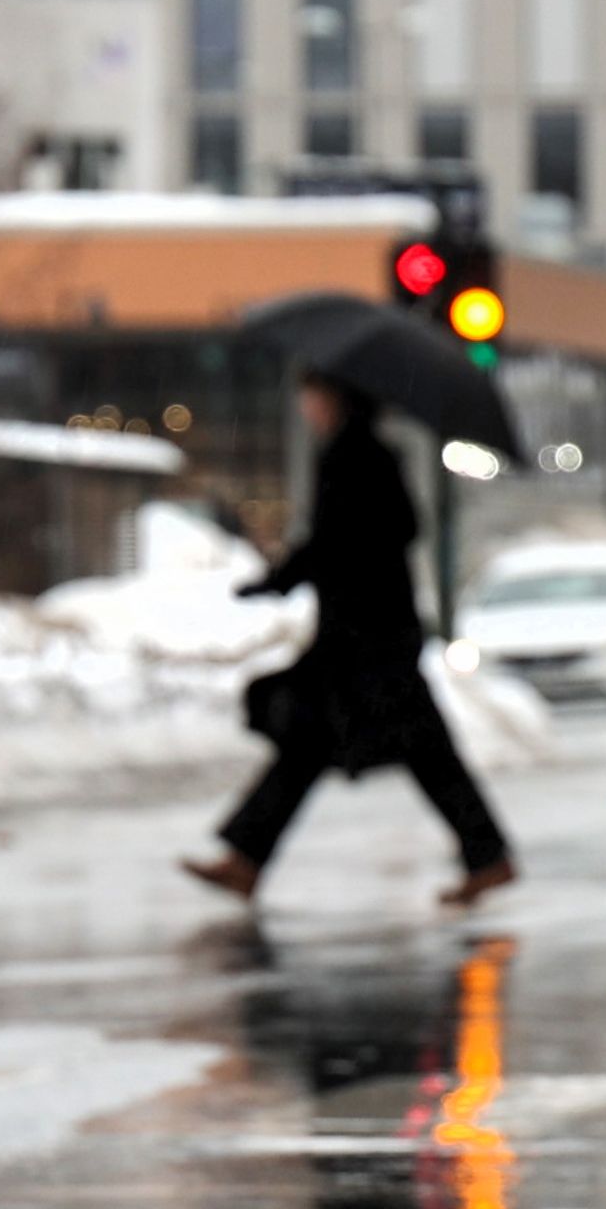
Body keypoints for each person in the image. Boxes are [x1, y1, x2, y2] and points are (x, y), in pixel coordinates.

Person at [182, 374, 520, 911]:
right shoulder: (366, 453)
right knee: (317, 744)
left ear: (335, 397)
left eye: (312, 394)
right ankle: (246, 859)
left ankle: (488, 855)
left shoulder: (352, 457)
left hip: (368, 640)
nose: (305, 406)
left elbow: (337, 543)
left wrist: (282, 578)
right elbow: (384, 532)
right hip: (369, 634)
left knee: (409, 749)